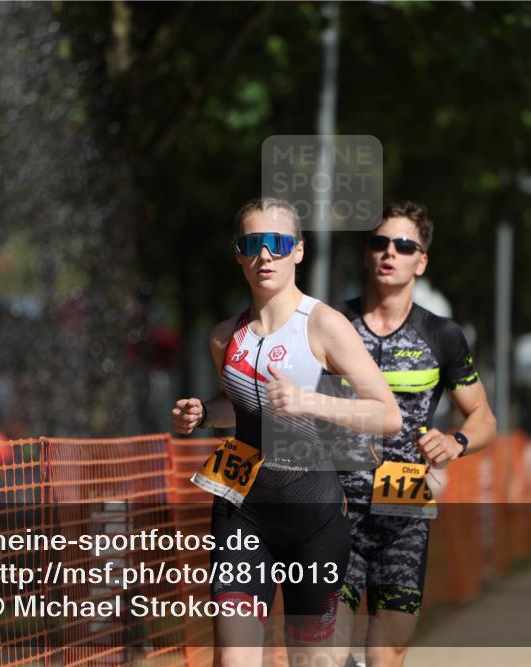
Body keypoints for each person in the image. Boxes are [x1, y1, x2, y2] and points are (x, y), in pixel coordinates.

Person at [172, 197, 402, 667]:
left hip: (313, 515)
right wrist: (202, 412)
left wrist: (309, 401)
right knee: (234, 660)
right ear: (238, 253)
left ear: (298, 250)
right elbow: (238, 408)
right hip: (242, 510)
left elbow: (387, 415)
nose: (265, 256)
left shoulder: (324, 326)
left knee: (311, 661)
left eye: (277, 243)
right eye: (252, 244)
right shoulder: (224, 337)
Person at [332, 201, 497, 667]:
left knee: (390, 650)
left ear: (420, 261)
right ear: (367, 254)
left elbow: (484, 417)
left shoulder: (442, 335)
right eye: (380, 243)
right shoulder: (330, 324)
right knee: (323, 644)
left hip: (402, 511)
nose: (390, 253)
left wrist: (455, 441)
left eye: (404, 245)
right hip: (334, 505)